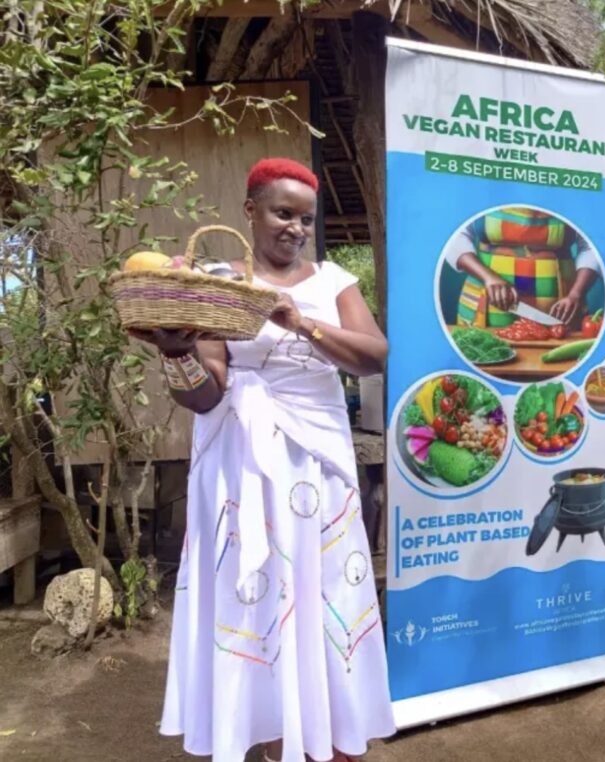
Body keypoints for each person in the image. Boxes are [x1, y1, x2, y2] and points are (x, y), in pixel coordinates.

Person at [135, 158, 395, 761]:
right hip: (242, 467)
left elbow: (373, 355)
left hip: (317, 468)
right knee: (255, 594)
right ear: (250, 211)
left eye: (305, 218)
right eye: (283, 213)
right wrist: (177, 354)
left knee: (325, 590)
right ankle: (268, 727)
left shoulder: (334, 282)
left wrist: (301, 322)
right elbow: (206, 395)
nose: (296, 228)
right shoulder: (219, 283)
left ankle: (327, 730)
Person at [443, 206, 600, 327]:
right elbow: (453, 237)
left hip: (560, 310)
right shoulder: (481, 189)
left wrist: (576, 293)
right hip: (487, 302)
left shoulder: (573, 196)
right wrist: (488, 277)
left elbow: (592, 245)